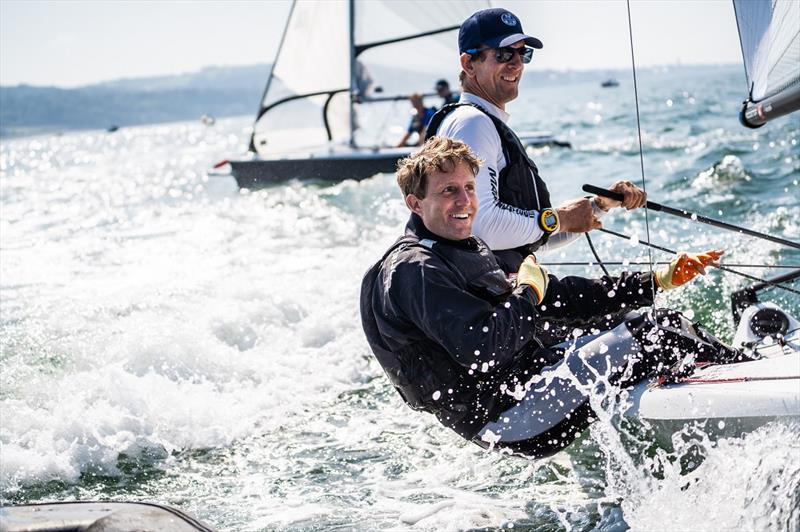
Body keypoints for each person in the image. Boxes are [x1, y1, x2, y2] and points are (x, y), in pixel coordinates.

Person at [360, 136, 730, 459]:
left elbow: (561, 298)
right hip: (508, 415)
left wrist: (656, 280)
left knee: (627, 321)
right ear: (415, 203)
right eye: (448, 191)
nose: (465, 201)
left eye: (469, 188)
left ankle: (720, 376)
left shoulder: (461, 245)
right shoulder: (416, 270)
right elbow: (483, 350)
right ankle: (743, 381)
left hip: (529, 378)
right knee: (657, 332)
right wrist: (527, 293)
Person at [427, 8, 646, 271]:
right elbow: (480, 226)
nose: (517, 63)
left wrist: (598, 206)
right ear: (469, 64)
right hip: (481, 304)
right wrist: (559, 218)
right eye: (504, 54)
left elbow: (528, 240)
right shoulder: (473, 124)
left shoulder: (481, 122)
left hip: (497, 294)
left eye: (523, 53)